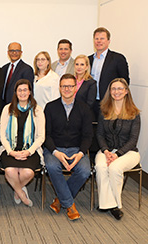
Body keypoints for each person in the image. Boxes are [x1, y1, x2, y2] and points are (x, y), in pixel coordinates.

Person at [44, 74, 92, 221]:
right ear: (59, 88)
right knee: (52, 167)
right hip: (54, 148)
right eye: (64, 86)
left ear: (76, 88)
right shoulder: (50, 107)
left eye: (70, 86)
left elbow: (88, 136)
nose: (67, 89)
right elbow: (46, 135)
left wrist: (80, 154)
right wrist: (56, 152)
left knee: (84, 171)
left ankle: (60, 199)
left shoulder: (84, 109)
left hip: (76, 149)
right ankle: (70, 205)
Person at [95, 78, 140, 220]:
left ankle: (115, 205)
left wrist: (118, 154)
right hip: (106, 150)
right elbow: (100, 134)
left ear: (126, 91)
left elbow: (133, 139)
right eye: (113, 89)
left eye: (120, 89)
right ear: (110, 91)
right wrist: (106, 151)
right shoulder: (104, 110)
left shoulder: (134, 113)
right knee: (100, 166)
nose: (116, 92)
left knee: (114, 168)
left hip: (129, 152)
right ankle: (107, 203)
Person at [0, 79, 45, 207]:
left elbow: (41, 137)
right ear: (15, 92)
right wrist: (11, 152)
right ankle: (21, 193)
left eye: (25, 90)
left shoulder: (37, 110)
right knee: (10, 171)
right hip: (10, 149)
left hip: (30, 150)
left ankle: (16, 189)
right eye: (20, 90)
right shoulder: (7, 109)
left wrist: (29, 151)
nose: (22, 93)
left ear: (30, 92)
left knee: (27, 173)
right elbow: (2, 135)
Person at [89, 27, 129, 117]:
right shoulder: (88, 60)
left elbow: (125, 81)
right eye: (96, 39)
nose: (99, 41)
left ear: (108, 41)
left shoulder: (118, 58)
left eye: (102, 38)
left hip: (110, 102)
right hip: (91, 103)